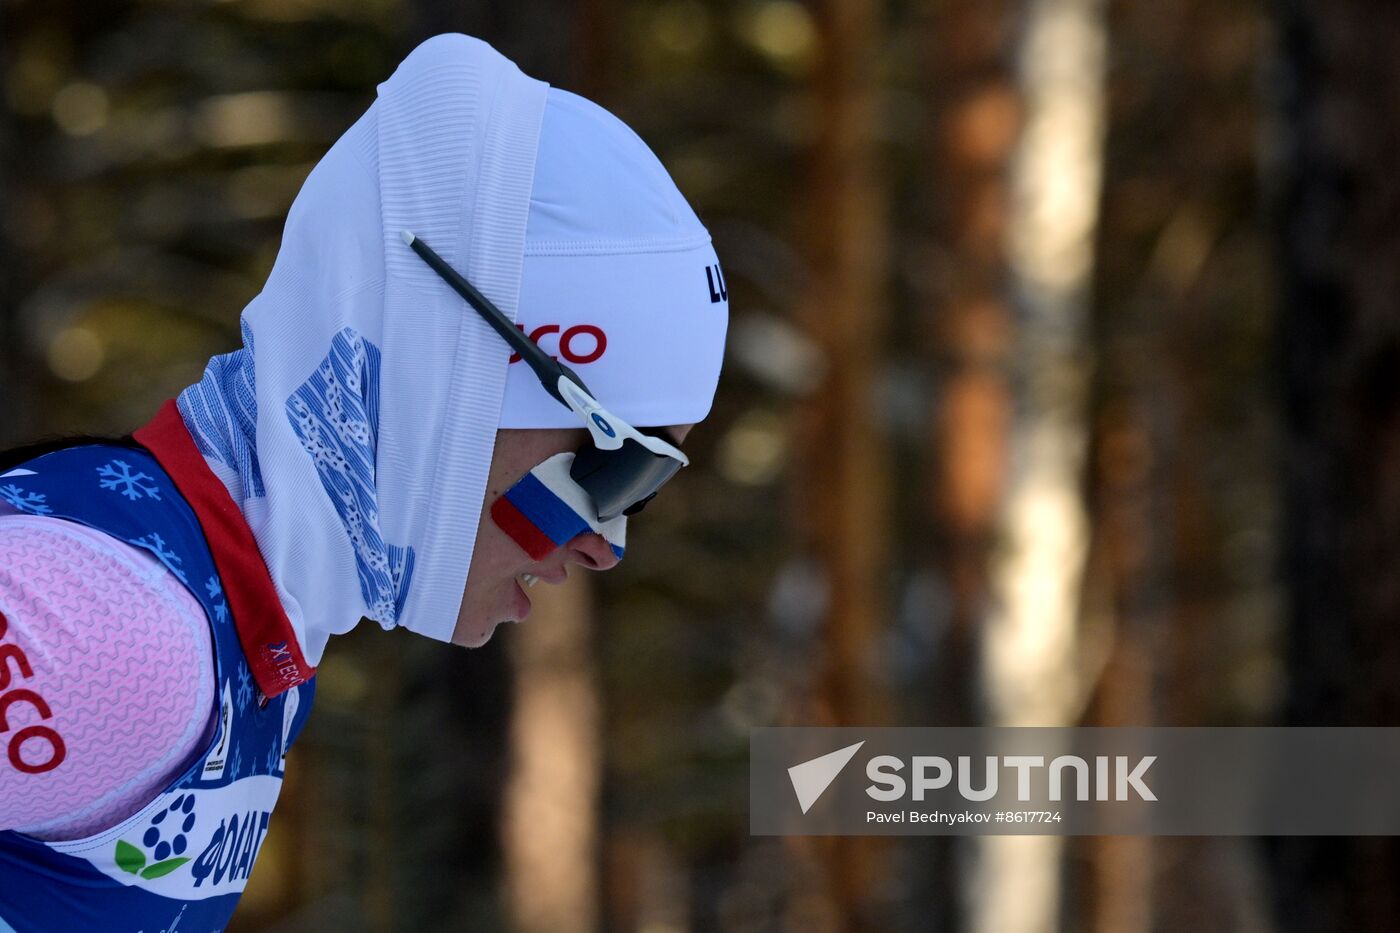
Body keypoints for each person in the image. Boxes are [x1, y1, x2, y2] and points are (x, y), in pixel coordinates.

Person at [0, 33, 727, 932]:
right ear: (452, 369)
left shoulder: (246, 633)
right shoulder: (129, 630)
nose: (605, 543)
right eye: (618, 465)